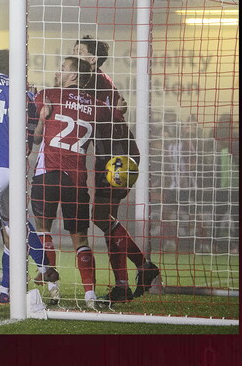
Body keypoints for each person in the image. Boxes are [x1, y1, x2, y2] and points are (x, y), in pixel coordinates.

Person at [30, 56, 134, 310]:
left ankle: (52, 288)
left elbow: (35, 139)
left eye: (63, 68)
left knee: (43, 229)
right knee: (81, 240)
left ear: (74, 76)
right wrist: (119, 110)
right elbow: (115, 122)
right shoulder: (99, 107)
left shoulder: (49, 94)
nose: (58, 71)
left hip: (48, 174)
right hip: (77, 181)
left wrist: (43, 119)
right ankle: (89, 295)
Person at [71, 35, 159, 301]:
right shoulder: (97, 81)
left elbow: (107, 114)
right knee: (104, 217)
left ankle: (130, 278)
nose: (74, 55)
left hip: (118, 156)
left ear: (92, 59)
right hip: (109, 155)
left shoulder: (92, 82)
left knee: (101, 217)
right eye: (73, 50)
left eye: (79, 51)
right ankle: (140, 270)